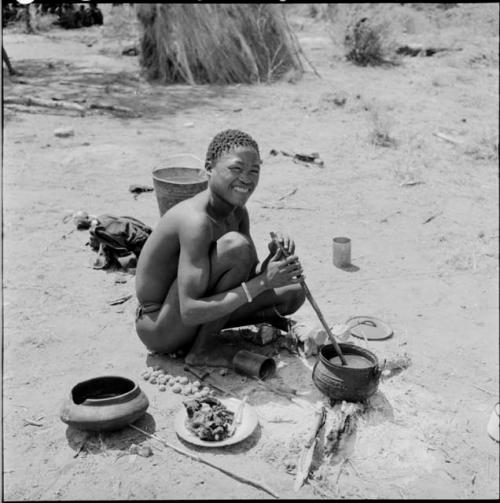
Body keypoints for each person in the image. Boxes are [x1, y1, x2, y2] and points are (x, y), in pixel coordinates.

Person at [135, 129, 306, 362]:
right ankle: (202, 350)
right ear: (208, 168)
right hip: (162, 327)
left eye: (254, 171)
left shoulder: (238, 212)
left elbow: (246, 275)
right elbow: (189, 310)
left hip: (194, 314)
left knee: (293, 292)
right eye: (236, 169)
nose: (246, 178)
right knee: (237, 247)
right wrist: (264, 281)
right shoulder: (196, 222)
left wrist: (273, 263)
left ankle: (211, 336)